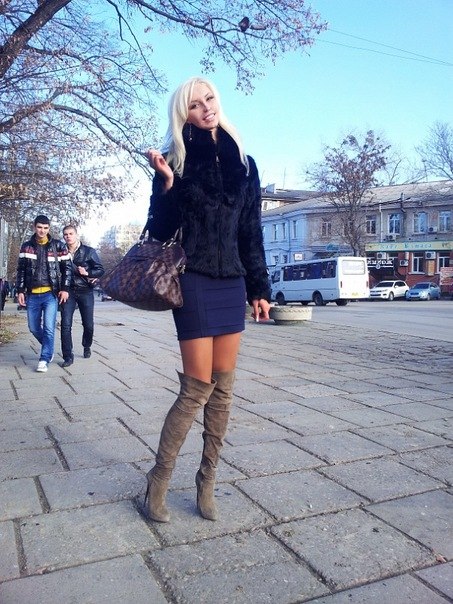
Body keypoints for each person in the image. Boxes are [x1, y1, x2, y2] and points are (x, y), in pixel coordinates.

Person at [144, 77, 271, 523]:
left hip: (232, 281)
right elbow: (158, 230)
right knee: (196, 387)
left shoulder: (245, 163)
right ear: (185, 114)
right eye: (195, 105)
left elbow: (250, 232)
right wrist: (165, 184)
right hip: (194, 280)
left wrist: (259, 288)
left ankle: (207, 481)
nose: (206, 108)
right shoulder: (176, 160)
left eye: (210, 99)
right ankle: (158, 480)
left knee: (224, 389)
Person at [16, 215, 72, 372]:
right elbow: (21, 270)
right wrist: (20, 290)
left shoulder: (58, 246)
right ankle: (49, 347)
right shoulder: (26, 246)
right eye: (39, 227)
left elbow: (67, 269)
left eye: (46, 228)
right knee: (33, 327)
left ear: (49, 228)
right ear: (34, 227)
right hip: (32, 295)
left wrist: (65, 289)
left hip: (50, 294)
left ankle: (44, 358)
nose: (42, 231)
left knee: (49, 328)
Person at [60, 225, 105, 367]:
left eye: (71, 233)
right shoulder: (60, 252)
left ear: (76, 235)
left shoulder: (89, 251)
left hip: (85, 291)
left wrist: (87, 273)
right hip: (68, 291)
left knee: (88, 324)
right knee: (65, 324)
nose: (68, 236)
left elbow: (100, 270)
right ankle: (68, 356)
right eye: (66, 234)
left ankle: (87, 345)